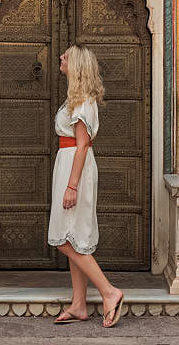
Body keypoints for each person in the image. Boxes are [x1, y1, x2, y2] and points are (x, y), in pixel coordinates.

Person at [48, 45, 125, 327]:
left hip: (74, 166)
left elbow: (81, 146)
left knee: (66, 239)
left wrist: (72, 186)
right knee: (74, 235)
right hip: (70, 164)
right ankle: (79, 305)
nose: (61, 58)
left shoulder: (81, 102)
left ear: (76, 65)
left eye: (65, 56)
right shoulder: (77, 98)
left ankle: (109, 291)